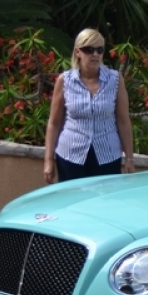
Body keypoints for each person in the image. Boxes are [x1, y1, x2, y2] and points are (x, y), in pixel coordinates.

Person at [43, 28, 135, 184]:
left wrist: (130, 159)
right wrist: (48, 160)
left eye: (100, 50)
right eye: (89, 49)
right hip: (70, 156)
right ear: (78, 52)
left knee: (103, 205)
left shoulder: (115, 80)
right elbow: (54, 123)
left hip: (107, 156)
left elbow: (124, 121)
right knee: (71, 204)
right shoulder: (64, 81)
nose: (95, 54)